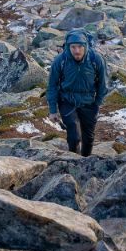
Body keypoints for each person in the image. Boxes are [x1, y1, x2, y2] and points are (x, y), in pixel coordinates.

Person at [46, 29, 108, 157]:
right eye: (73, 47)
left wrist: (97, 103)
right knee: (74, 135)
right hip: (67, 101)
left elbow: (103, 84)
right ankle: (74, 159)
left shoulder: (95, 59)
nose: (77, 50)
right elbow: (52, 86)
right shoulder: (60, 60)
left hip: (89, 102)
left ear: (85, 46)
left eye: (80, 46)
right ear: (68, 47)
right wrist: (52, 110)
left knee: (88, 138)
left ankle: (86, 161)